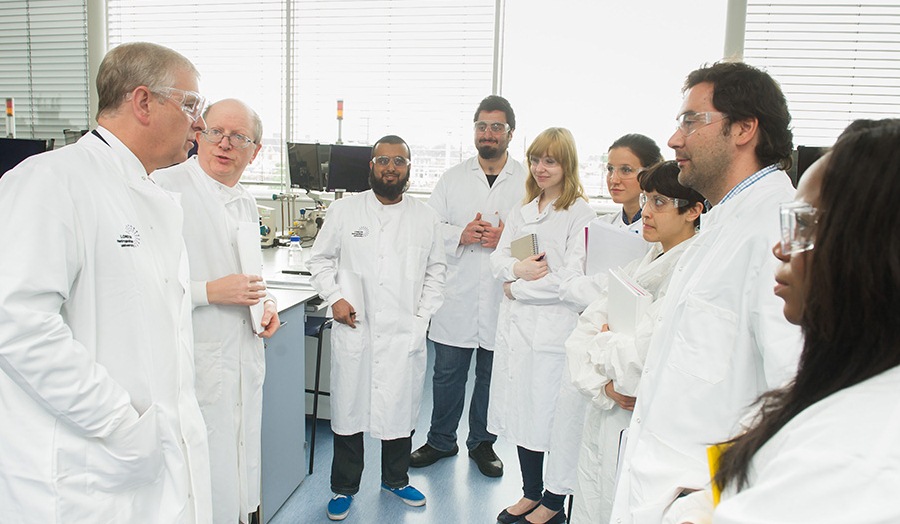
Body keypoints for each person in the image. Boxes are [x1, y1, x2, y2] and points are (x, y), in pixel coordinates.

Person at [0, 42, 212, 523]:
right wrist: (119, 421)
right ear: (142, 102)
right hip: (86, 468)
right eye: (190, 105)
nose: (200, 123)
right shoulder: (51, 181)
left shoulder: (147, 193)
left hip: (145, 455)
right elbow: (14, 322)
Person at [665, 121, 900, 524]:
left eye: (804, 224)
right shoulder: (849, 387)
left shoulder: (851, 454)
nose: (781, 246)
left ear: (869, 247)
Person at [609, 61, 804, 524]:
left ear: (743, 129)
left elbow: (796, 397)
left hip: (702, 502)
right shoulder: (721, 225)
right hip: (664, 490)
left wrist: (710, 503)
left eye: (691, 121)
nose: (675, 139)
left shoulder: (776, 232)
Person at [153, 98, 281, 524]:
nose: (224, 144)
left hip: (242, 352)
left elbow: (250, 273)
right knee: (200, 482)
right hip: (197, 356)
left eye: (238, 137)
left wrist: (268, 304)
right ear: (198, 134)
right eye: (214, 132)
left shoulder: (244, 199)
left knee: (238, 470)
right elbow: (143, 284)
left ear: (255, 150)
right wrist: (209, 291)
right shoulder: (164, 187)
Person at [306, 135, 446, 521]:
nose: (390, 167)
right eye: (382, 160)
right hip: (356, 329)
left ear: (408, 169)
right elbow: (319, 260)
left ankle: (395, 480)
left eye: (398, 160)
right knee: (350, 410)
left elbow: (437, 274)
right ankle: (344, 487)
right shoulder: (345, 212)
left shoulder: (426, 218)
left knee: (399, 411)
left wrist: (421, 321)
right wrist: (335, 298)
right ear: (371, 166)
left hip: (404, 333)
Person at [565, 161, 703, 523]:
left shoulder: (689, 275)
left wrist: (604, 343)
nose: (645, 211)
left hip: (641, 428)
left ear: (693, 210)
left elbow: (637, 369)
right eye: (646, 199)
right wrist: (604, 386)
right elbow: (579, 340)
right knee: (594, 498)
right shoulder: (639, 266)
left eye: (659, 202)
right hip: (607, 415)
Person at [410, 95, 527, 477]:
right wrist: (461, 233)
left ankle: (482, 443)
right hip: (456, 296)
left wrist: (505, 240)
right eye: (482, 126)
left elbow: (540, 238)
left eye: (497, 127)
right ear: (474, 131)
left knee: (491, 375)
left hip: (501, 297)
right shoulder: (452, 179)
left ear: (511, 132)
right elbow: (428, 230)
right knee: (447, 374)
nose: (488, 133)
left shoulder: (527, 181)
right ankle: (441, 440)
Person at [489, 127, 596, 524]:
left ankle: (553, 501)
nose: (541, 167)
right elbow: (498, 262)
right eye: (536, 159)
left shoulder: (579, 213)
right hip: (518, 333)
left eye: (550, 160)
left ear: (567, 163)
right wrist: (517, 270)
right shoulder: (524, 210)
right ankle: (530, 493)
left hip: (553, 332)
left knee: (553, 419)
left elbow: (569, 280)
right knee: (523, 414)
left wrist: (516, 289)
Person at [559, 133, 662, 312]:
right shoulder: (597, 226)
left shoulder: (659, 233)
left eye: (626, 170)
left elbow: (647, 295)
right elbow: (567, 289)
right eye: (610, 169)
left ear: (650, 172)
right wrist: (618, 284)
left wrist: (592, 284)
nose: (613, 179)